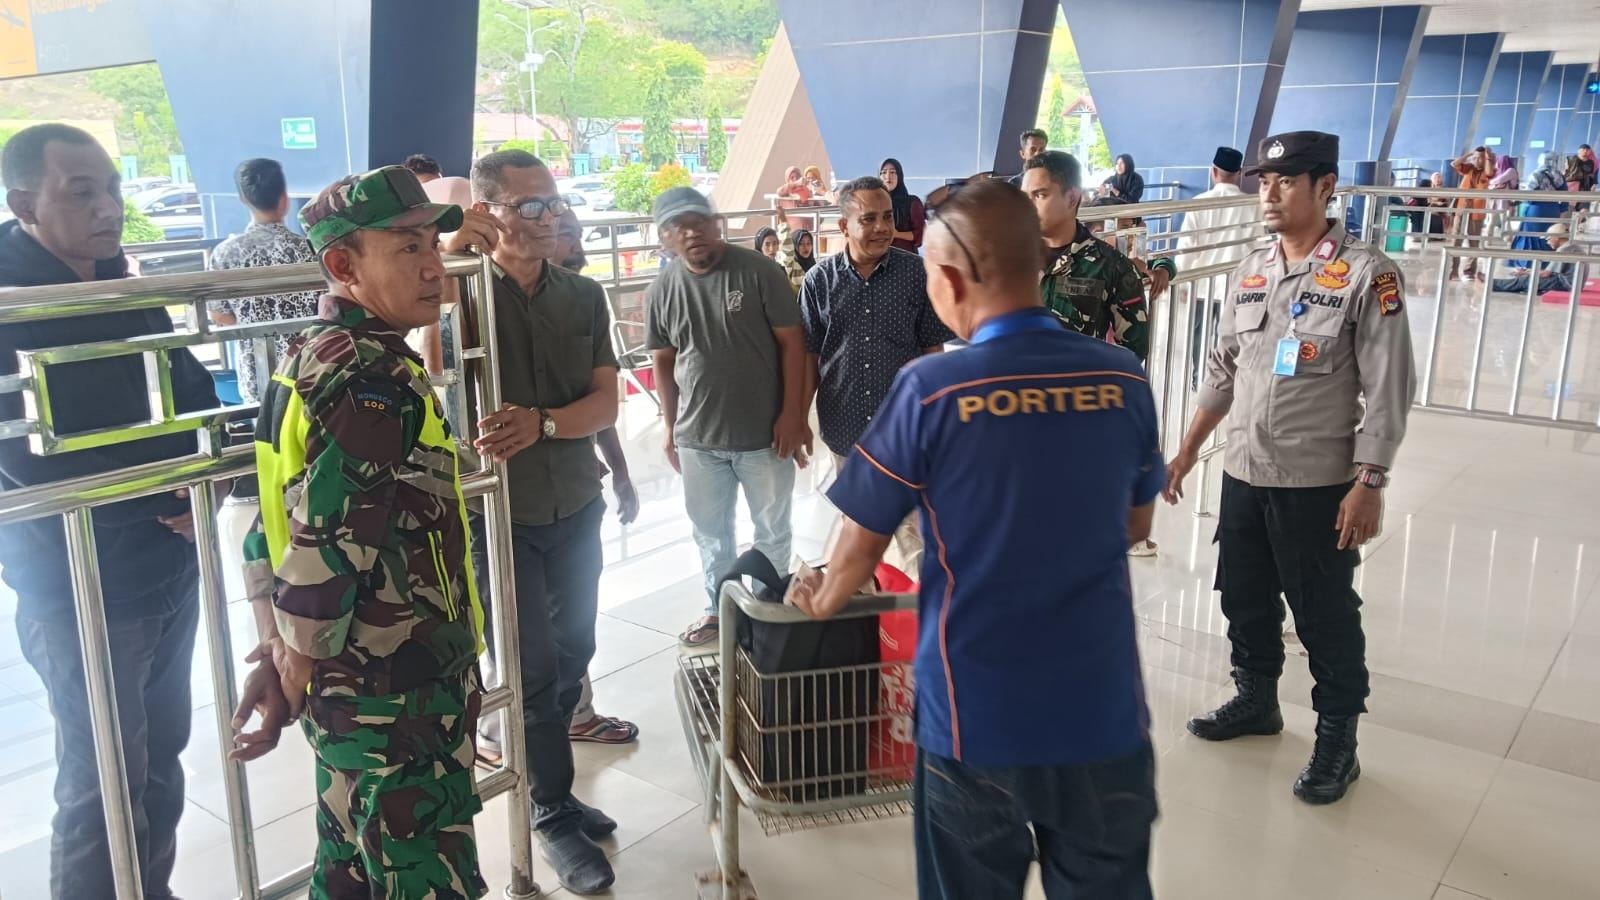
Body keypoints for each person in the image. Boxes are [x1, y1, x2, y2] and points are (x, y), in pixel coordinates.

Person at [786, 178, 1163, 899]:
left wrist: (823, 599)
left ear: (951, 278)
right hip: (1102, 709)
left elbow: (860, 541)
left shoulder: (932, 389)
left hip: (974, 719)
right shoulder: (1122, 378)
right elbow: (1135, 523)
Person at [234, 164, 501, 899]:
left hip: (351, 687)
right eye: (407, 247)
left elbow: (267, 524)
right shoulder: (369, 378)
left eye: (432, 244)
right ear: (343, 265)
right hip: (395, 693)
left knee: (351, 865)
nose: (433, 266)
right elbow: (325, 544)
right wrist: (290, 668)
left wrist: (277, 648)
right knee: (424, 874)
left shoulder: (309, 353)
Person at [0, 122, 221, 900]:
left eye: (114, 187)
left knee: (160, 758)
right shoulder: (9, 302)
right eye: (82, 192)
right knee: (102, 783)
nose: (108, 207)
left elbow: (194, 391)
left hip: (167, 564)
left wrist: (206, 482)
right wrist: (167, 489)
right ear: (25, 204)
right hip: (78, 583)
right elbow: (26, 454)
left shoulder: (117, 284)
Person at [1165, 131, 1417, 805]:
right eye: (1263, 182)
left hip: (1315, 480)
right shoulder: (1254, 268)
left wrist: (1370, 482)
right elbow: (1224, 368)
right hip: (1243, 469)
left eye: (1285, 181)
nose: (1268, 194)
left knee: (1323, 611)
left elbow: (1388, 388)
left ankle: (1338, 739)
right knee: (1242, 594)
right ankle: (1256, 699)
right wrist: (1187, 449)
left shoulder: (1367, 274)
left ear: (1324, 187)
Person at [436, 149, 623, 894]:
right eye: (530, 207)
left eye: (554, 202)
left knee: (576, 650)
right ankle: (548, 809)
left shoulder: (582, 296)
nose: (550, 218)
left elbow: (605, 403)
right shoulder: (459, 291)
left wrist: (542, 422)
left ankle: (556, 788)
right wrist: (450, 259)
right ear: (489, 212)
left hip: (574, 500)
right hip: (498, 514)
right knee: (530, 669)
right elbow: (428, 360)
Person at [644, 187, 809, 648]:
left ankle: (769, 607)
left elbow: (793, 345)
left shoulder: (760, 272)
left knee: (772, 528)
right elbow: (663, 360)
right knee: (711, 533)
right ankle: (720, 610)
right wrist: (669, 426)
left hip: (764, 435)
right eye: (678, 226)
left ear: (716, 223)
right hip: (698, 439)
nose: (691, 232)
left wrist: (793, 414)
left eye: (699, 221)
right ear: (664, 238)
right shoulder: (661, 290)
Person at [799, 175, 953, 572]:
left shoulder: (916, 274)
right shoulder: (819, 282)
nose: (882, 227)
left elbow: (932, 352)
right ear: (843, 226)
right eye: (868, 219)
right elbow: (810, 357)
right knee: (855, 534)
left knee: (915, 537)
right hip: (844, 427)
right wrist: (798, 420)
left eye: (887, 216)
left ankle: (926, 607)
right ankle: (862, 607)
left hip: (903, 430)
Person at [552, 206, 642, 747]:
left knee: (574, 609)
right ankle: (535, 722)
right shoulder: (487, 300)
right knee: (536, 618)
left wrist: (621, 473)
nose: (576, 244)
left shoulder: (583, 299)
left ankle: (574, 713)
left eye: (576, 233)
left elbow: (600, 401)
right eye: (566, 233)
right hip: (521, 494)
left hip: (576, 487)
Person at [1022, 150, 1175, 366]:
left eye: (1040, 195)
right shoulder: (1008, 259)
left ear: (1072, 198)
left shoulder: (1112, 266)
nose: (1027, 206)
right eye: (1024, 197)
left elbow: (1133, 352)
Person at [208, 157, 321, 403]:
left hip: (257, 375)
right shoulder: (311, 249)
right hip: (309, 371)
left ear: (244, 199)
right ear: (285, 199)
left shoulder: (225, 254)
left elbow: (220, 315)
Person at [1174, 146, 1260, 271]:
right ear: (1239, 173)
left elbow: (1185, 251)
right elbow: (1259, 248)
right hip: (1240, 278)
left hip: (1203, 280)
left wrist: (1181, 281)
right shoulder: (1254, 205)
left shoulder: (1198, 203)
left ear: (1213, 171)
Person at [1490, 221, 1580, 294]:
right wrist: (1527, 271)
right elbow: (1552, 272)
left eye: (1548, 239)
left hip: (1565, 284)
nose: (1548, 242)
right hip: (1573, 283)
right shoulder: (1572, 246)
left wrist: (1526, 273)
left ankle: (1491, 284)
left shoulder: (1562, 250)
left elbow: (1546, 274)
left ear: (1556, 238)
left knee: (1525, 281)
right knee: (1528, 279)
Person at [1450, 146, 1495, 279]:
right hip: (1461, 208)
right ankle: (1453, 270)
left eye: (1479, 158)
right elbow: (1454, 164)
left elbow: (1489, 172)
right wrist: (1469, 154)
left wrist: (1488, 157)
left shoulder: (1488, 169)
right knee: (1456, 240)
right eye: (1475, 158)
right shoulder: (1468, 168)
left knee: (1473, 241)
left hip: (1477, 211)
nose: (1476, 160)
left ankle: (1470, 270)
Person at [879, 157, 927, 252]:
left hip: (906, 257)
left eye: (892, 172)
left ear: (899, 176)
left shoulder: (912, 202)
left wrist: (896, 234)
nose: (888, 176)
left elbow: (920, 234)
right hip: (879, 256)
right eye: (884, 172)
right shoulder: (874, 203)